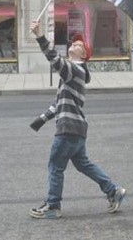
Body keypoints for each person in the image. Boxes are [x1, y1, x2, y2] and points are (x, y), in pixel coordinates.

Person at [28, 20, 126, 219]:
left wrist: (40, 36)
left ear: (83, 55)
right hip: (77, 129)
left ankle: (53, 206)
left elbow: (54, 59)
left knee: (55, 165)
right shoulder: (72, 74)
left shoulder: (76, 69)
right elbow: (59, 103)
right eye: (74, 43)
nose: (74, 44)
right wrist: (41, 119)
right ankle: (112, 190)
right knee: (83, 164)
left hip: (69, 128)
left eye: (79, 45)